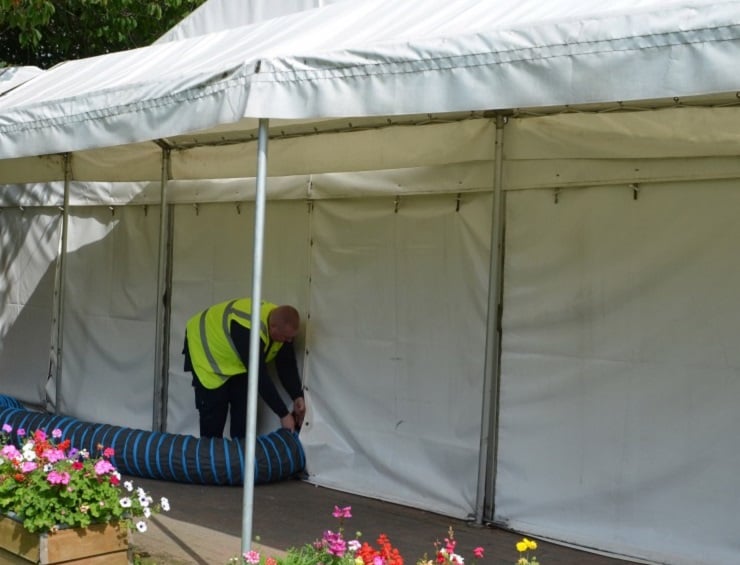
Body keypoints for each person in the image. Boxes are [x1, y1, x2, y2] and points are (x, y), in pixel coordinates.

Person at [183, 298, 306, 439]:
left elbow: (286, 364)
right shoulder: (249, 329)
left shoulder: (281, 324)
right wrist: (283, 414)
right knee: (214, 416)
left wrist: (297, 396)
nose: (289, 341)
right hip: (207, 354)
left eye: (291, 338)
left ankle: (241, 450)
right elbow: (259, 377)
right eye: (286, 338)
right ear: (273, 327)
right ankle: (210, 450)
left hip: (236, 360)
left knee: (244, 414)